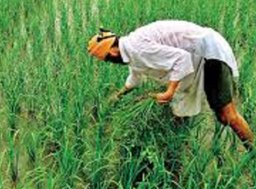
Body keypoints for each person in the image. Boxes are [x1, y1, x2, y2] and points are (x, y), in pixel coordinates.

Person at [87, 20, 254, 150]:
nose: (110, 62)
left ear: (112, 51)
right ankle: (178, 140)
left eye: (107, 58)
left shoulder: (138, 49)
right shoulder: (130, 50)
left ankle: (252, 151)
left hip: (209, 52)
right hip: (197, 55)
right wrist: (120, 94)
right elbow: (134, 78)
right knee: (180, 107)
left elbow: (181, 59)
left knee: (227, 116)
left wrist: (169, 91)